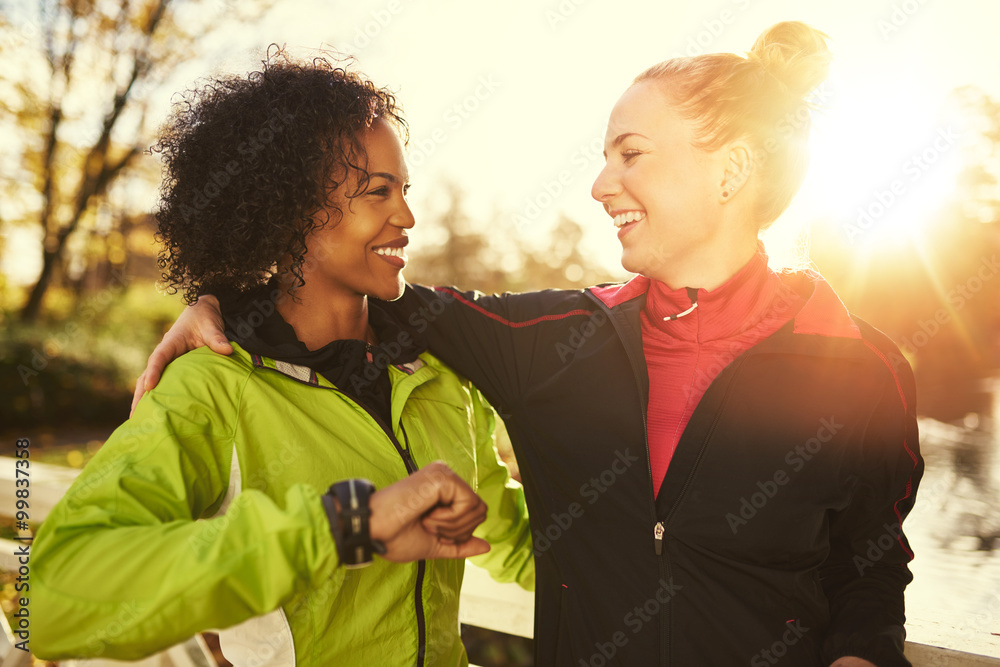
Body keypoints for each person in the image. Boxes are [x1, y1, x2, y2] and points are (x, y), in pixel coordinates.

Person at [133, 23, 922, 667]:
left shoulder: (864, 368)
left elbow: (871, 566)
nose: (600, 184)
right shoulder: (550, 340)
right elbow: (358, 295)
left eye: (631, 153)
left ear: (733, 169)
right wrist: (223, 301)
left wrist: (862, 655)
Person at [30, 52, 533, 667]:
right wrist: (345, 526)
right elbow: (58, 598)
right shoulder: (212, 386)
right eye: (378, 193)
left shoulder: (438, 375)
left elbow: (523, 542)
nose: (407, 217)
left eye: (404, 191)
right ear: (293, 212)